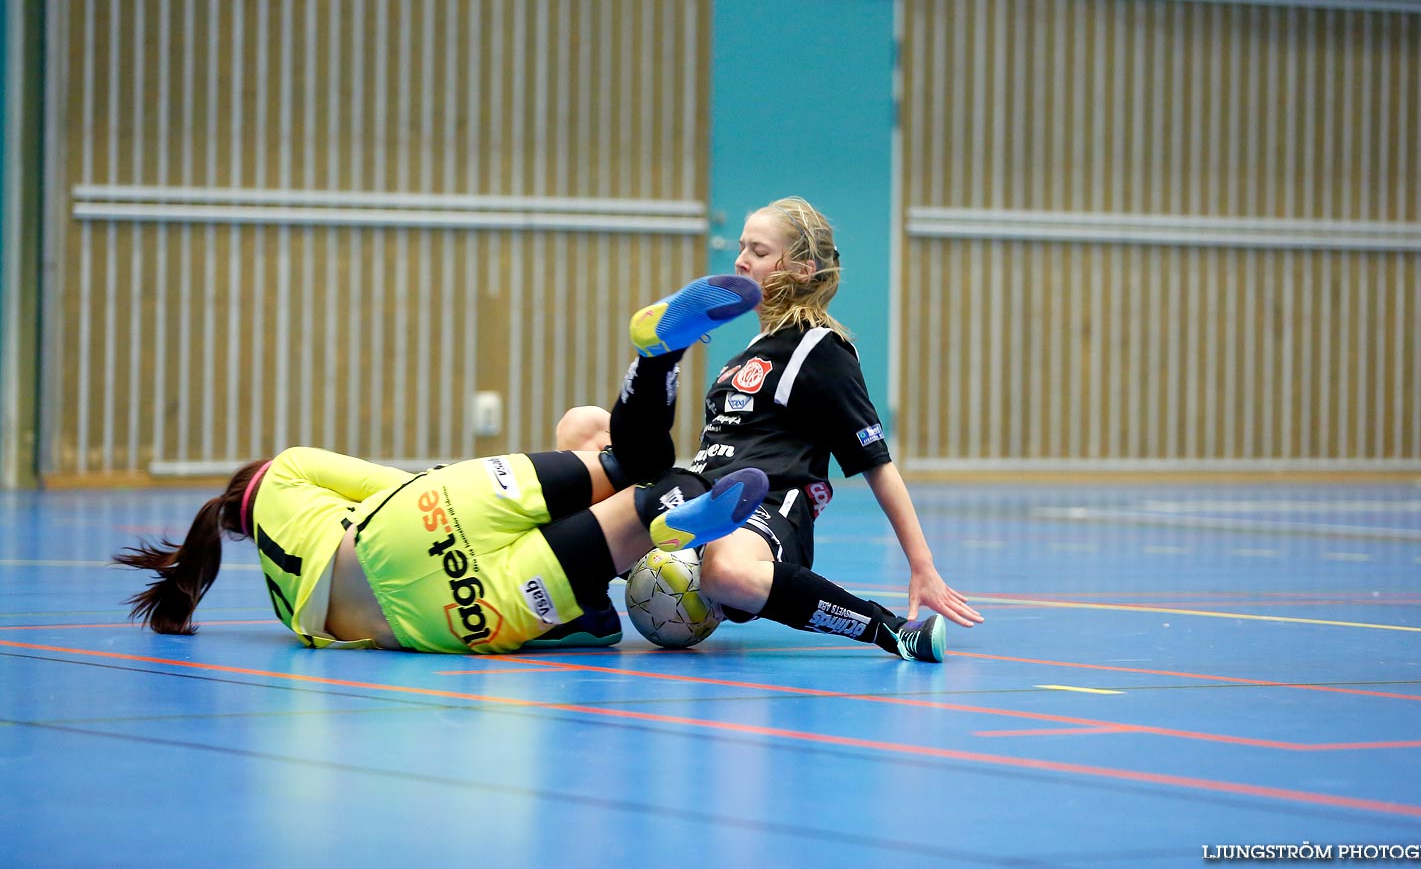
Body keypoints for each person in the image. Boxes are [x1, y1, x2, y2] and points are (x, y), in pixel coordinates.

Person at [114, 276, 770, 654]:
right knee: (641, 463)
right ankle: (655, 357)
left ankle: (664, 525)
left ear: (234, 531)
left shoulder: (290, 614)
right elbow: (397, 486)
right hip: (418, 518)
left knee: (640, 525)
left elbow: (595, 636)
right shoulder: (286, 473)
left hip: (450, 615)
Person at [559, 197, 983, 663]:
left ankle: (892, 631)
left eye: (758, 251)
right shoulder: (744, 354)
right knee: (585, 425)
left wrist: (922, 567)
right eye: (741, 247)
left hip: (765, 508)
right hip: (700, 495)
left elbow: (877, 466)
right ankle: (583, 601)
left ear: (802, 269)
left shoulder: (821, 348)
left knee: (728, 574)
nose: (741, 260)